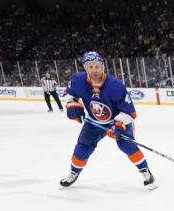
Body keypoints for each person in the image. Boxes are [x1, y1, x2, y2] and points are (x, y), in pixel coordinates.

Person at [59, 51, 156, 190]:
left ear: (103, 67)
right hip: (94, 121)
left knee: (126, 145)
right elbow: (70, 94)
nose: (94, 70)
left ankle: (145, 171)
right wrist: (72, 104)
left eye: (97, 67)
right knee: (82, 147)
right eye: (90, 67)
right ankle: (74, 172)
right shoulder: (77, 80)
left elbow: (129, 112)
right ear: (86, 69)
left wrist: (118, 125)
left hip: (118, 120)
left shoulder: (115, 85)